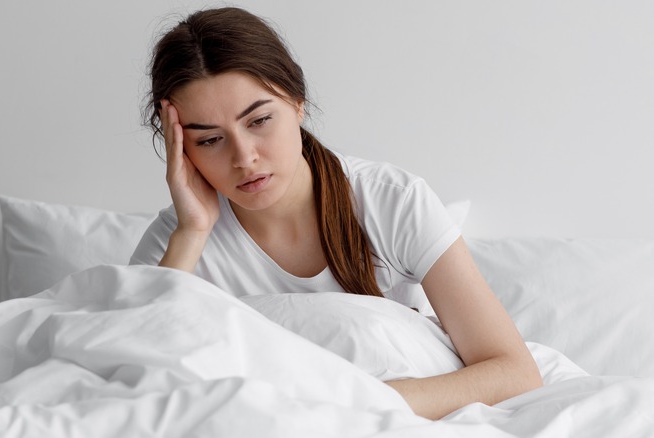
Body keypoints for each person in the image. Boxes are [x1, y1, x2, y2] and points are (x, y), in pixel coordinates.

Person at [130, 6, 542, 420]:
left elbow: (514, 371)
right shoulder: (180, 238)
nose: (244, 157)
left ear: (297, 102)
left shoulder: (392, 201)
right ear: (178, 147)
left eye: (259, 120)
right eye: (210, 140)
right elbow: (132, 370)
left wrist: (354, 405)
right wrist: (192, 233)